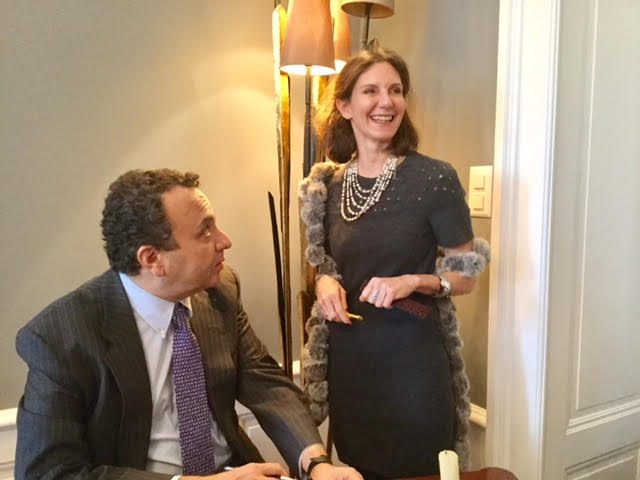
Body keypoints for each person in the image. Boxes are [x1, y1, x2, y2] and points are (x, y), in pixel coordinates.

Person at [15, 169, 363, 480]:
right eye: (205, 231)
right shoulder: (61, 337)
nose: (225, 241)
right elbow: (47, 473)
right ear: (153, 259)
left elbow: (265, 382)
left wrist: (316, 463)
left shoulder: (221, 291)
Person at [298, 47, 490, 479]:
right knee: (358, 467)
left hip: (412, 367)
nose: (386, 102)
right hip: (351, 365)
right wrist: (325, 281)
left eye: (396, 90)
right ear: (344, 105)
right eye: (370, 91)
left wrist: (413, 281)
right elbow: (326, 262)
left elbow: (467, 273)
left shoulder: (433, 179)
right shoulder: (329, 185)